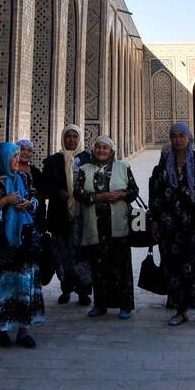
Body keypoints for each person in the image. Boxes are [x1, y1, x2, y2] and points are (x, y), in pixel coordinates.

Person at [149, 122, 195, 328]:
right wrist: (155, 219)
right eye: (174, 136)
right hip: (172, 226)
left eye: (182, 135)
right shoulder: (165, 160)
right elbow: (156, 191)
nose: (178, 139)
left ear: (189, 137)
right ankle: (181, 310)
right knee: (176, 268)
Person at [0, 141, 45, 348]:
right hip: (0, 246)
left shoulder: (23, 178)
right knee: (2, 288)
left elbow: (36, 200)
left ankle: (24, 331)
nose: (18, 160)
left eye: (17, 156)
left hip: (25, 243)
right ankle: (3, 330)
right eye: (13, 157)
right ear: (2, 160)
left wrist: (30, 204)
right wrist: (3, 201)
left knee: (24, 286)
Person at [74, 135, 139, 319]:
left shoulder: (123, 167)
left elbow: (134, 191)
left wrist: (121, 195)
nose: (101, 151)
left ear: (111, 151)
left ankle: (125, 305)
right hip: (95, 226)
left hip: (119, 225)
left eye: (105, 148)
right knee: (98, 267)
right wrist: (98, 198)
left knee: (122, 267)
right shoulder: (85, 169)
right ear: (93, 149)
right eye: (98, 147)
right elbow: (78, 192)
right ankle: (100, 305)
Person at [39, 125, 92, 305]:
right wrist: (57, 191)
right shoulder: (53, 161)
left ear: (80, 139)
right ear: (63, 138)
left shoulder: (88, 160)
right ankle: (66, 288)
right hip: (60, 215)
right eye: (68, 136)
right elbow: (44, 187)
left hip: (82, 215)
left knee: (82, 254)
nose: (71, 140)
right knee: (63, 254)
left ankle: (83, 291)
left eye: (74, 136)